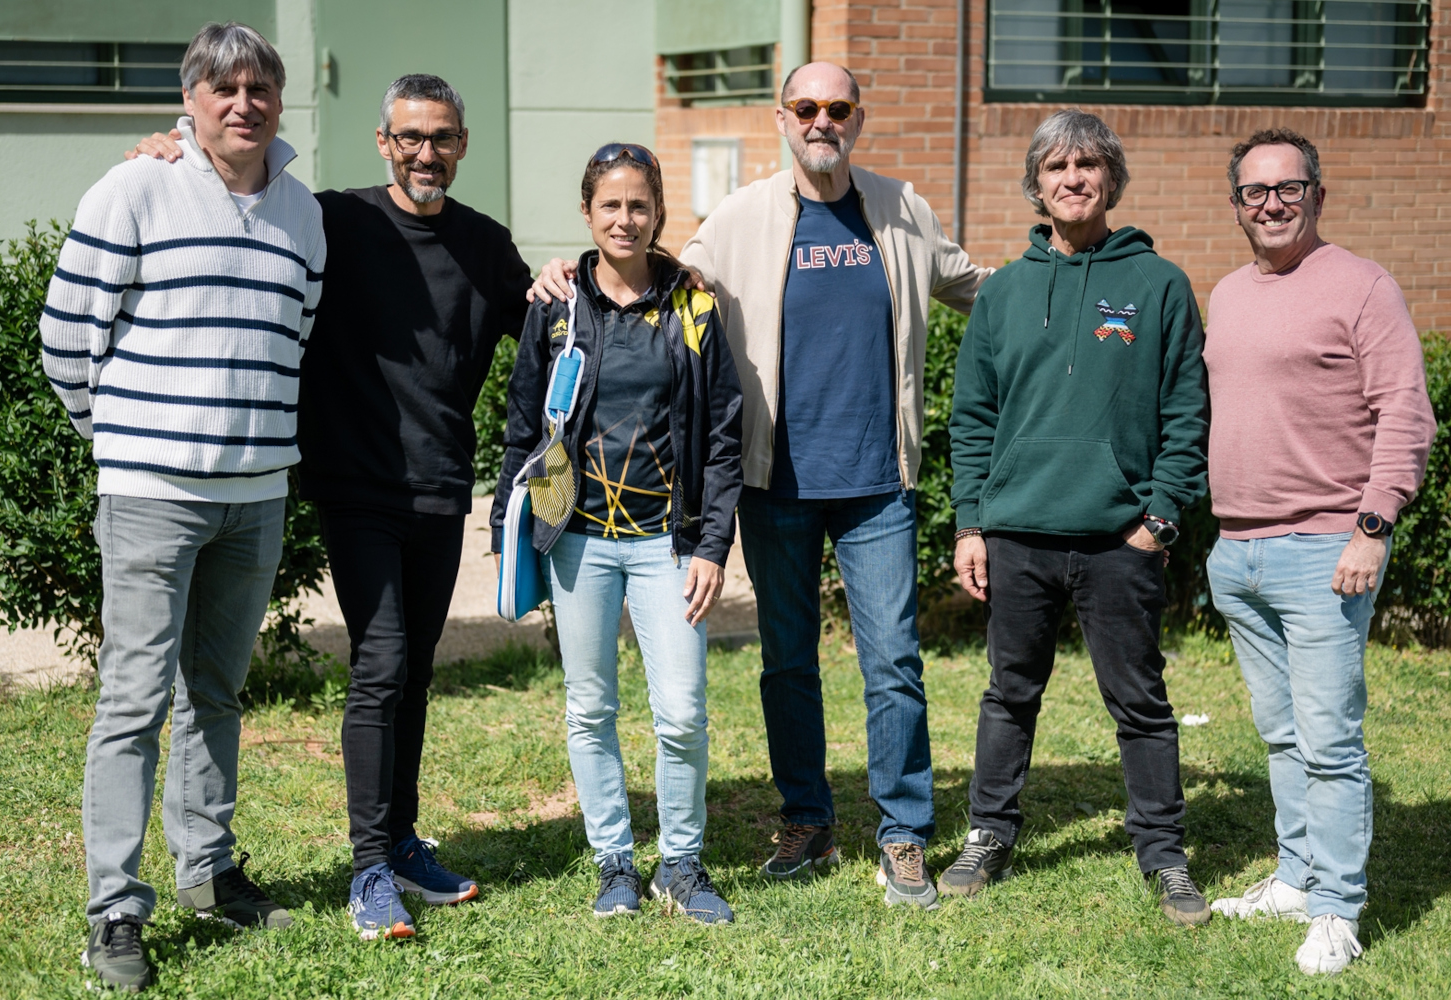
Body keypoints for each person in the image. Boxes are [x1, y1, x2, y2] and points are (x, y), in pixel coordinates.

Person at [531, 62, 991, 910]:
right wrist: (563, 273)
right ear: (782, 117)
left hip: (877, 484)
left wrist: (1074, 284)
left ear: (858, 117)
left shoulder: (901, 209)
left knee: (893, 661)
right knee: (788, 663)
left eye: (838, 107)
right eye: (807, 107)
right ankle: (807, 820)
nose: (823, 120)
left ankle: (903, 834)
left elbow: (978, 291)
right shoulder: (741, 217)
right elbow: (649, 273)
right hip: (774, 482)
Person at [127, 74, 533, 941]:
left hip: (439, 485)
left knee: (415, 671)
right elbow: (233, 197)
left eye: (445, 138)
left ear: (463, 145)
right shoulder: (332, 220)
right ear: (383, 142)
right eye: (411, 137)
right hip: (354, 487)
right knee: (382, 663)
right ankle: (367, 871)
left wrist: (574, 276)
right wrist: (167, 152)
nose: (428, 153)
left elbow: (542, 326)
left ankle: (401, 841)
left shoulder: (487, 247)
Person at [42, 22, 324, 992]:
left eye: (259, 86)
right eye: (223, 87)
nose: (242, 101)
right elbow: (64, 334)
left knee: (217, 691)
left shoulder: (303, 212)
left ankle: (210, 873)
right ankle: (115, 911)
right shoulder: (135, 187)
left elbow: (299, 336)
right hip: (153, 496)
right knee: (131, 703)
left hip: (256, 498)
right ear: (191, 101)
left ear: (279, 102)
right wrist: (121, 442)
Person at [944, 109, 1211, 926]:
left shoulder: (1159, 284)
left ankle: (1163, 855)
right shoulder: (1006, 291)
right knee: (1008, 694)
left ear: (1111, 180)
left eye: (1089, 166)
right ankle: (990, 831)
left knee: (1140, 703)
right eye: (1057, 167)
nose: (1073, 179)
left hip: (1116, 539)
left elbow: (1187, 412)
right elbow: (973, 417)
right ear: (1036, 183)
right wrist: (971, 523)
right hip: (1019, 534)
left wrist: (1158, 519)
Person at [492, 142, 744, 923]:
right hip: (578, 542)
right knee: (589, 707)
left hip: (667, 545)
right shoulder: (558, 306)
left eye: (639, 205)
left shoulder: (694, 306)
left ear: (658, 212)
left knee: (682, 711)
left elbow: (725, 435)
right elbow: (522, 423)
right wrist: (510, 528)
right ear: (587, 212)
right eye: (611, 205)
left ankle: (681, 864)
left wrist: (711, 548)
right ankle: (615, 865)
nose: (625, 219)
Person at [1203, 129, 1434, 974]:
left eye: (1288, 188)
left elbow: (1406, 413)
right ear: (1236, 205)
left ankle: (1338, 906)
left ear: (1317, 197)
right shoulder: (1226, 293)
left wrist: (1372, 529)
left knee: (1330, 739)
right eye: (1255, 192)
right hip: (1238, 553)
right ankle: (1297, 877)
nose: (1272, 203)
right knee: (1280, 733)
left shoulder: (1363, 286)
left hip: (1324, 551)